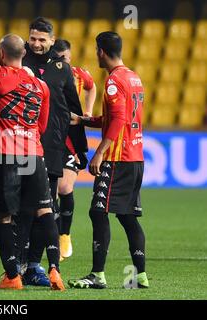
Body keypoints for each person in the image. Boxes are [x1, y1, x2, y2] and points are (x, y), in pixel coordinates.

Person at [0, 34, 65, 291]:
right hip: (34, 153)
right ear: (24, 53)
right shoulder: (41, 85)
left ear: (1, 53)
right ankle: (55, 269)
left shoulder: (0, 78)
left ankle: (12, 276)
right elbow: (42, 124)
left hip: (6, 154)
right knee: (45, 211)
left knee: (3, 217)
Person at [68, 31, 149, 289]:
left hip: (118, 158)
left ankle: (97, 275)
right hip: (136, 158)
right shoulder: (134, 77)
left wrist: (100, 152)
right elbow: (117, 118)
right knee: (127, 216)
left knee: (97, 212)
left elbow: (120, 121)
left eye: (96, 50)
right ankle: (140, 275)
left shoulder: (114, 82)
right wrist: (83, 120)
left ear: (101, 51)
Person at [20, 17, 87, 286]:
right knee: (19, 208)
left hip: (51, 148)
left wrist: (81, 149)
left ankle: (34, 264)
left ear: (51, 40)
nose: (36, 44)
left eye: (42, 40)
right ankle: (19, 265)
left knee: (44, 207)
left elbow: (75, 112)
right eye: (33, 38)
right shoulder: (17, 61)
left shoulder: (62, 69)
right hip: (19, 145)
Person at [54, 39, 97, 261]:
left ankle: (64, 235)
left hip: (70, 137)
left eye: (65, 59)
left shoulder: (79, 74)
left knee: (64, 186)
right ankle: (47, 237)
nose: (62, 62)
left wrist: (86, 114)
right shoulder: (45, 73)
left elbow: (92, 87)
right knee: (46, 191)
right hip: (49, 135)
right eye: (58, 58)